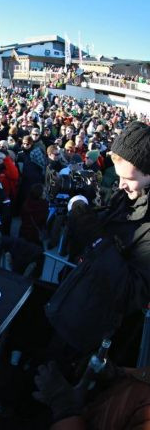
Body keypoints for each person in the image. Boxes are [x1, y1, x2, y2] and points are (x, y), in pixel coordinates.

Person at [45, 121, 150, 357]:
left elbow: (132, 291)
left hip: (95, 333)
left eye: (129, 179)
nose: (121, 185)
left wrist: (92, 233)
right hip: (76, 301)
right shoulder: (129, 193)